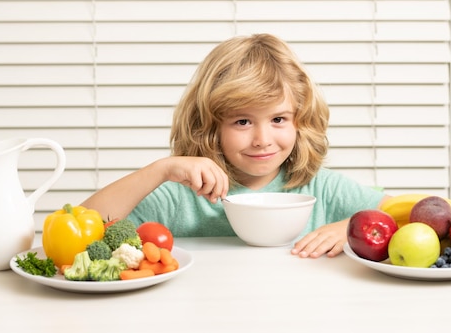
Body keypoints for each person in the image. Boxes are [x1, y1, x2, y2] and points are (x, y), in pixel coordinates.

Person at [81, 33, 389, 258]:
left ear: (301, 120)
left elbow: (415, 215)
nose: (263, 139)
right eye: (242, 122)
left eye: (279, 119)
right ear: (210, 126)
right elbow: (81, 230)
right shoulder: (181, 194)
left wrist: (349, 226)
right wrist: (159, 170)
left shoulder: (321, 189)